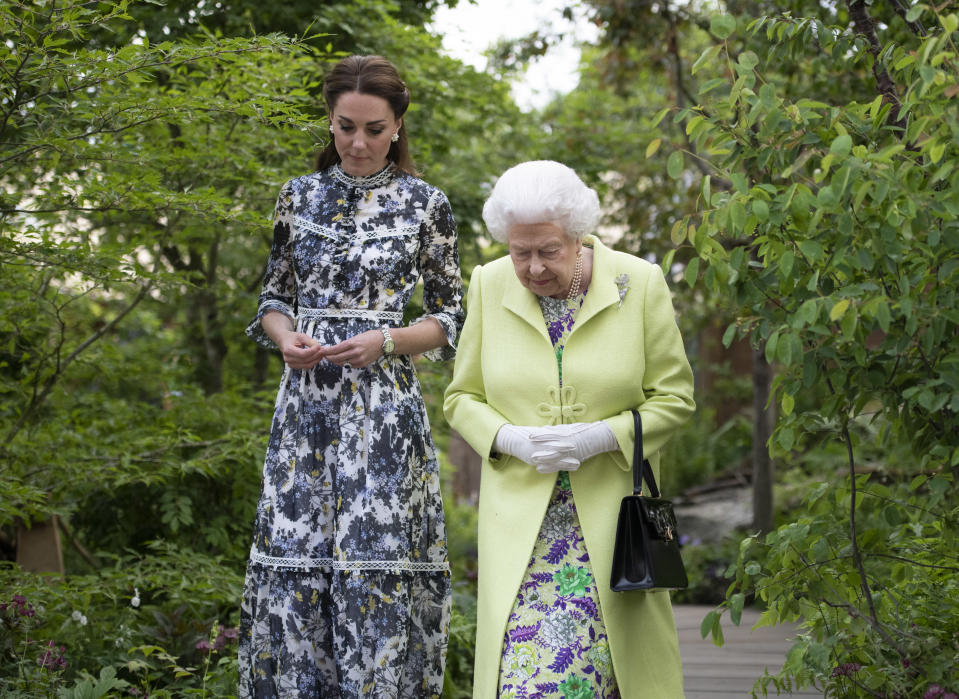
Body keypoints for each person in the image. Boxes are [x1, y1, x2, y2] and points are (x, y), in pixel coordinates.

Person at [238, 55, 464, 698]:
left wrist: (387, 341)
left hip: (385, 415)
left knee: (375, 564)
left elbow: (450, 317)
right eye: (345, 127)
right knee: (296, 561)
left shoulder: (427, 205)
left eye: (374, 129)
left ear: (398, 127)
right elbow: (272, 301)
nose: (358, 143)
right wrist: (287, 340)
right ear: (330, 122)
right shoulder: (296, 197)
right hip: (304, 411)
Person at [444, 160, 695, 698]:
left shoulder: (639, 282)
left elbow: (675, 399)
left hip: (611, 532)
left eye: (548, 251)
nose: (533, 268)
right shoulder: (488, 284)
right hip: (520, 531)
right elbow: (462, 397)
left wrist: (601, 437)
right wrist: (509, 438)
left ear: (578, 237)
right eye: (520, 252)